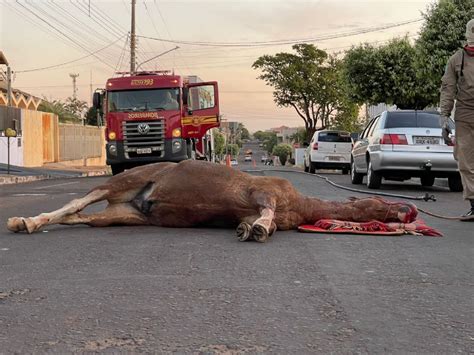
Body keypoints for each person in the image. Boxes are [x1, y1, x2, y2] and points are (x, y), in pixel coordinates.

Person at [440, 19, 474, 221]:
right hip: (465, 114)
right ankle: (473, 203)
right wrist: (444, 118)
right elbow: (448, 89)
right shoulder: (456, 60)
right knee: (465, 161)